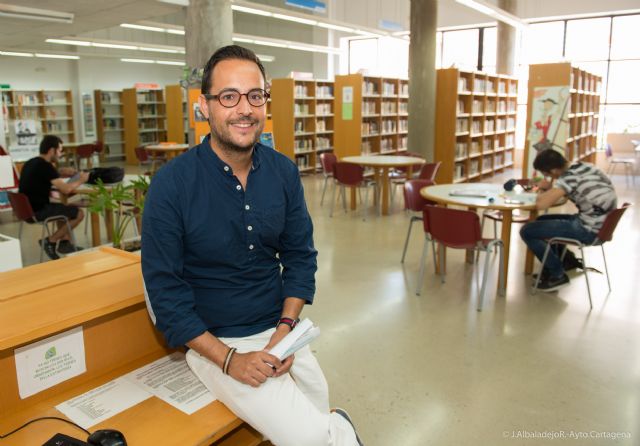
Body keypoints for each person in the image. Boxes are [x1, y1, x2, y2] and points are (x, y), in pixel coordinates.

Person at [141, 45, 362, 446]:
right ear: (204, 107)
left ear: (265, 103)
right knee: (311, 437)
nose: (244, 108)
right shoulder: (172, 185)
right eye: (229, 96)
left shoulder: (283, 172)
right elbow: (165, 294)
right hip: (214, 342)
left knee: (318, 409)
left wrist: (285, 331)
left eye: (255, 95)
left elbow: (300, 258)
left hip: (280, 330)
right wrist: (230, 361)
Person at [520, 149, 617, 291]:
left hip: (590, 230)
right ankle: (564, 261)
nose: (547, 177)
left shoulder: (569, 177)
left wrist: (542, 188)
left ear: (553, 170)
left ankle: (557, 275)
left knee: (527, 230)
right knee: (541, 220)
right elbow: (565, 195)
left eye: (546, 174)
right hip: (601, 224)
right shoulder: (584, 166)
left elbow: (542, 204)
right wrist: (552, 189)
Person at [18, 135, 89, 259]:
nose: (61, 154)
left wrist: (60, 171)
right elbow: (66, 189)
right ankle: (51, 241)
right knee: (79, 213)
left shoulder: (32, 162)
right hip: (38, 211)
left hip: (26, 210)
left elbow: (43, 176)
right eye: (60, 150)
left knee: (63, 208)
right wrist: (81, 180)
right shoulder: (46, 166)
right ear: (52, 150)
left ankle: (65, 243)